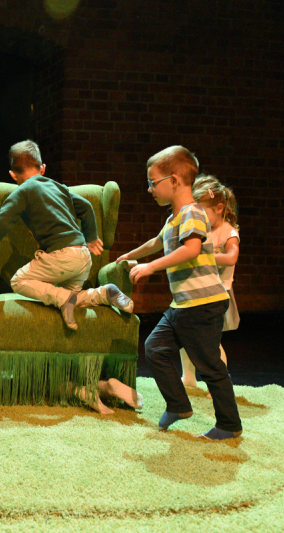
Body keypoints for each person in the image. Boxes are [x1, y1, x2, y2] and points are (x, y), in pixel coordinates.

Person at [116, 146, 242, 441]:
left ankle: (229, 424)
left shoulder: (193, 213)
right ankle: (178, 405)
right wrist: (129, 256)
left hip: (203, 303)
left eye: (152, 182)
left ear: (174, 181)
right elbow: (156, 242)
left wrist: (150, 267)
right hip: (184, 304)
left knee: (209, 365)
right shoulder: (174, 219)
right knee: (155, 348)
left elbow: (192, 249)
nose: (149, 189)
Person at [0, 139, 133, 330]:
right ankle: (105, 293)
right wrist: (91, 237)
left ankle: (63, 298)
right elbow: (86, 207)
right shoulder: (59, 187)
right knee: (74, 299)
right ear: (42, 168)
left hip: (61, 257)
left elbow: (2, 221)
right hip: (83, 257)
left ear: (13, 174)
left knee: (19, 281)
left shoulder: (23, 191)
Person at [179, 175, 241, 398]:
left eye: (202, 212)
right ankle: (188, 377)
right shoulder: (200, 229)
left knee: (210, 342)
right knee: (184, 334)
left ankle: (219, 384)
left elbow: (231, 257)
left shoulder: (228, 232)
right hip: (197, 291)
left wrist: (206, 256)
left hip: (217, 294)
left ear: (219, 208)